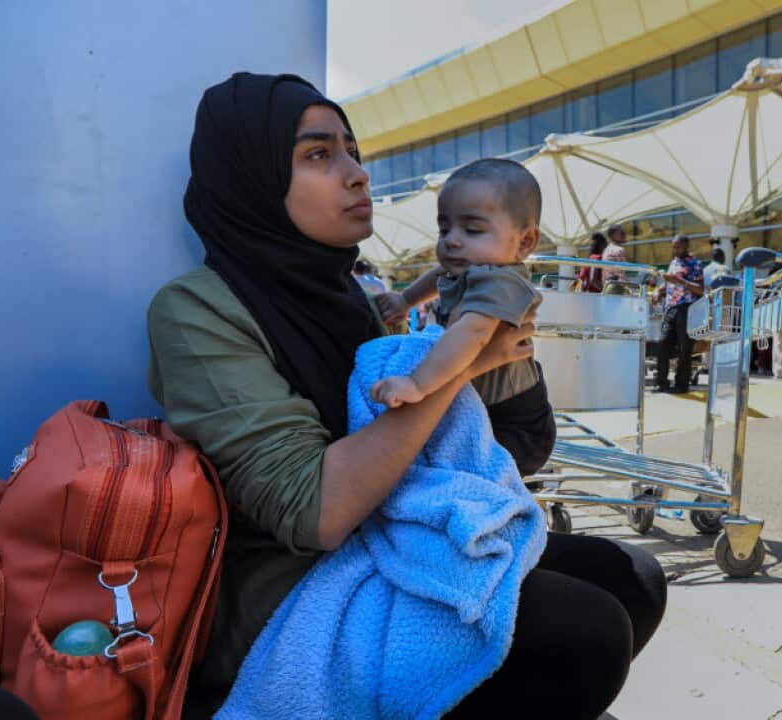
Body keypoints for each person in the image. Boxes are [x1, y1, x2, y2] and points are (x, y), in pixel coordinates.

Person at [147, 73, 665, 719]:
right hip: (289, 584)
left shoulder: (354, 299)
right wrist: (450, 374)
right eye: (318, 154)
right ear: (251, 178)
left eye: (352, 150)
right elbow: (316, 513)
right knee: (583, 633)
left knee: (632, 576)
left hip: (396, 528)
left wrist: (498, 362)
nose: (357, 174)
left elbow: (493, 450)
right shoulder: (198, 308)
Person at [369, 159, 556, 477]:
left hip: (515, 423)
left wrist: (416, 383)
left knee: (461, 474)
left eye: (472, 229)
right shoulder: (471, 265)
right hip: (479, 404)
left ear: (524, 242)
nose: (452, 239)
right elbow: (439, 273)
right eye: (445, 228)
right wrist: (406, 299)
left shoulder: (501, 281)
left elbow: (474, 332)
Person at [654, 234, 704, 393]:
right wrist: (658, 291)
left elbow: (700, 289)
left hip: (687, 308)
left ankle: (681, 384)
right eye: (673, 246)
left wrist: (680, 281)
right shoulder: (674, 262)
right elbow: (667, 283)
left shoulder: (695, 264)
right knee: (663, 343)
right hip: (670, 308)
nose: (675, 250)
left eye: (678, 247)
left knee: (685, 347)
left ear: (686, 246)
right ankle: (661, 382)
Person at [601, 222, 629, 290]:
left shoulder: (606, 249)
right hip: (616, 287)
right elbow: (620, 274)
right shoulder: (619, 250)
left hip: (606, 286)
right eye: (621, 233)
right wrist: (627, 288)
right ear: (613, 235)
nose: (624, 234)